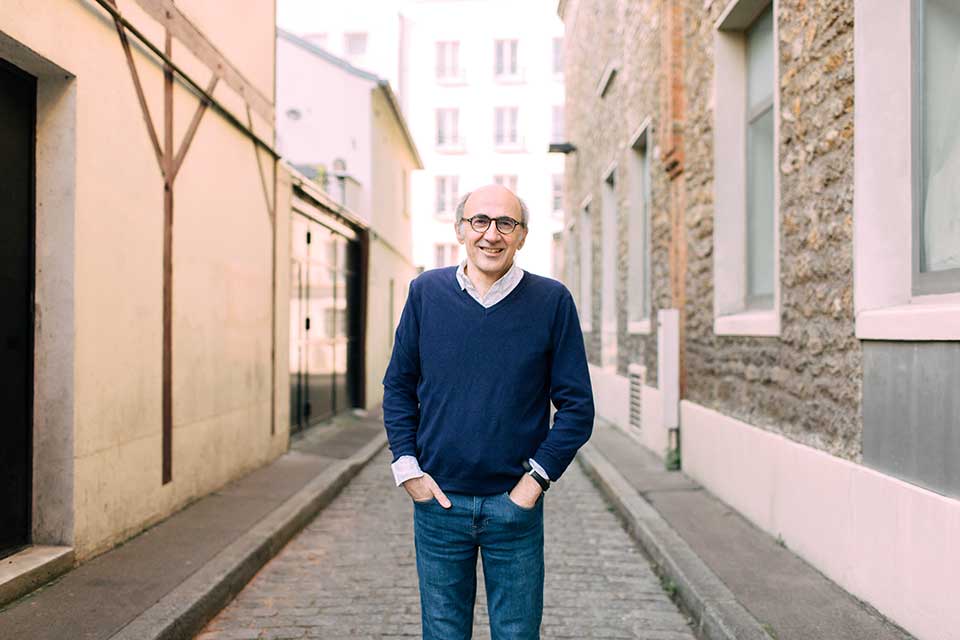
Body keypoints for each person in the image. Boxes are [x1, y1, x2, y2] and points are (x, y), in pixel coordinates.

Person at [382, 184, 594, 640]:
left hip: (512, 509)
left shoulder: (552, 302)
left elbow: (578, 407)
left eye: (506, 224)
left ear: (522, 236)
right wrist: (408, 470)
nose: (491, 234)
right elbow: (398, 387)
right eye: (480, 221)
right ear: (460, 229)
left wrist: (534, 482)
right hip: (439, 505)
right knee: (443, 634)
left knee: (517, 635)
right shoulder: (425, 293)